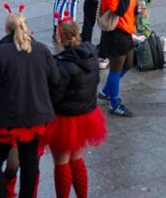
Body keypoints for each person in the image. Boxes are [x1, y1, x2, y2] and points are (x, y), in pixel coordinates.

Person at [0, 6, 61, 198]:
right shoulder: (41, 50)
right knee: (31, 163)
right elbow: (56, 82)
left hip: (3, 122)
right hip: (34, 121)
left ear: (6, 29)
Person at [45, 18, 107, 198]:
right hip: (86, 115)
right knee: (77, 157)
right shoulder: (91, 56)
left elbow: (55, 96)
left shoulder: (63, 64)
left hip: (65, 119)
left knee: (61, 160)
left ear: (60, 37)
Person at [98, 0, 137, 117]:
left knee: (128, 64)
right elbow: (119, 11)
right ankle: (115, 103)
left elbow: (129, 7)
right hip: (116, 34)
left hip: (127, 31)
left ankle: (106, 91)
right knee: (116, 68)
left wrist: (138, 10)